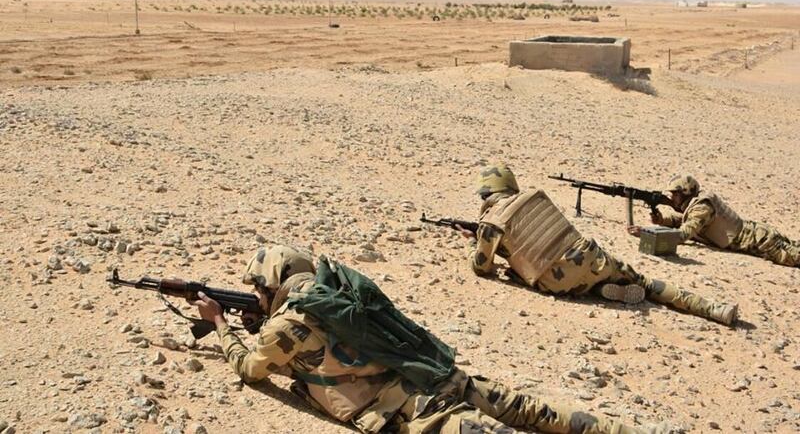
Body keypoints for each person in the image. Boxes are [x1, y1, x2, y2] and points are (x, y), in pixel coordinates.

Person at [191, 244, 650, 434]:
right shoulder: (336, 290)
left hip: (419, 409)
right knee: (533, 410)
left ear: (274, 283)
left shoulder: (284, 326)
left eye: (258, 288)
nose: (256, 295)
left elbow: (252, 371)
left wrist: (219, 324)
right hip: (440, 373)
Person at [463, 164, 737, 327]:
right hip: (590, 255)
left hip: (557, 280)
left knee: (523, 273)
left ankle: (596, 291)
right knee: (649, 283)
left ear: (486, 194)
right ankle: (714, 309)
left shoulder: (491, 223)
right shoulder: (534, 196)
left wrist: (475, 242)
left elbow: (482, 268)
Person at [628, 174, 799, 267]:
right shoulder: (696, 204)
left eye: (675, 194)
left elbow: (683, 235)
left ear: (685, 194)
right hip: (758, 234)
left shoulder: (702, 208)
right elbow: (687, 220)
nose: (671, 197)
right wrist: (663, 220)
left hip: (761, 241)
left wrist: (645, 234)